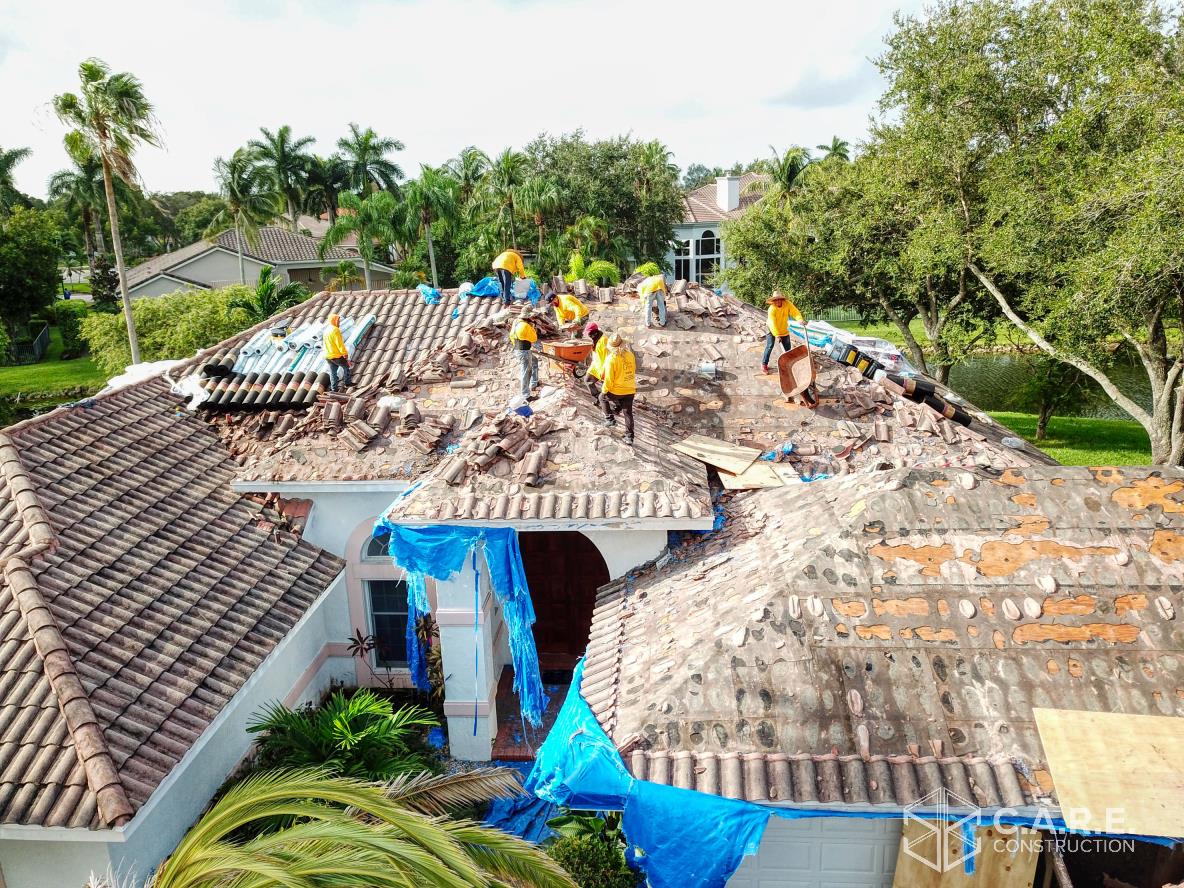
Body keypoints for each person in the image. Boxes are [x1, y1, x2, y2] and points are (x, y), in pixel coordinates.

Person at [600, 333, 636, 445]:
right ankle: (629, 437)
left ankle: (610, 419)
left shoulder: (611, 359)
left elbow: (609, 380)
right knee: (628, 413)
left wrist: (604, 390)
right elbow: (634, 369)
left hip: (617, 390)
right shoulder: (630, 355)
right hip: (630, 389)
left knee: (602, 398)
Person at [762, 291, 803, 374]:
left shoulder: (787, 304)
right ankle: (764, 364)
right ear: (773, 301)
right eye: (775, 300)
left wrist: (799, 319)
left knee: (788, 348)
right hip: (771, 329)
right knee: (770, 346)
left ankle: (790, 365)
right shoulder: (772, 309)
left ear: (781, 299)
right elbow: (772, 323)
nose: (778, 301)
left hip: (783, 329)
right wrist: (777, 335)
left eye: (779, 299)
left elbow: (795, 312)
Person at [508, 304, 540, 400]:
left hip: (518, 348)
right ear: (528, 317)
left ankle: (534, 383)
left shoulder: (516, 322)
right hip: (524, 351)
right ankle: (526, 395)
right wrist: (533, 327)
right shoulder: (525, 326)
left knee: (534, 361)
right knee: (526, 372)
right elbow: (534, 338)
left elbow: (511, 336)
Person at [323, 313, 351, 391]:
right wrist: (345, 354)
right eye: (338, 321)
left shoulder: (326, 330)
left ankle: (334, 388)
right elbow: (340, 344)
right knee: (346, 367)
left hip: (328, 356)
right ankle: (347, 383)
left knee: (333, 372)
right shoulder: (335, 330)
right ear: (334, 321)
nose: (339, 323)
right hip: (336, 355)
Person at [584, 322, 607, 398]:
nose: (589, 335)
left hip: (604, 369)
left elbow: (608, 358)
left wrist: (605, 371)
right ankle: (597, 396)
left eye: (590, 333)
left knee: (607, 390)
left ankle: (617, 405)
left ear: (595, 332)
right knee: (587, 380)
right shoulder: (595, 339)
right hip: (596, 367)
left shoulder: (604, 340)